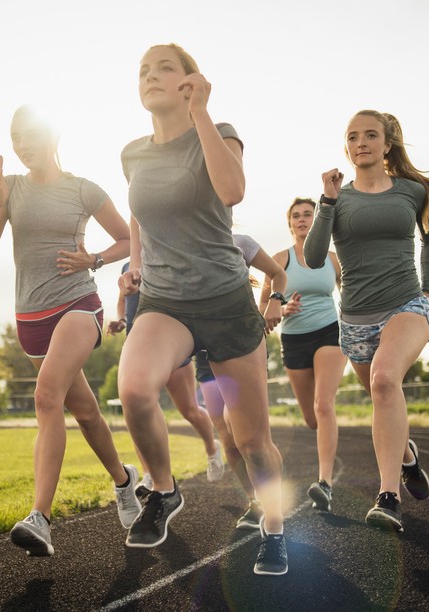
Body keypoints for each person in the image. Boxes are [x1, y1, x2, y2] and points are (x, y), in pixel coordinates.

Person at [117, 43, 289, 576]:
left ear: (190, 79)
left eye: (163, 67)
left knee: (252, 441)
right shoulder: (133, 153)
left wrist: (201, 113)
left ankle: (274, 528)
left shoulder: (219, 129)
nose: (150, 76)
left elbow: (233, 190)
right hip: (166, 301)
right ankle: (164, 491)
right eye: (143, 70)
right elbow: (139, 215)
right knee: (134, 388)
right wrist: (136, 264)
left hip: (227, 304)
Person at [0, 104, 141, 557]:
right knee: (85, 411)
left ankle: (40, 518)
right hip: (30, 319)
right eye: (16, 137)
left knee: (46, 396)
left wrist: (96, 260)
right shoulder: (10, 189)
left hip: (78, 305)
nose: (23, 144)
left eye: (30, 135)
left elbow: (128, 238)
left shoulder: (83, 190)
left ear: (52, 137)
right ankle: (124, 481)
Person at [304, 109, 429, 532]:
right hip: (355, 319)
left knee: (384, 381)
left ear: (386, 144)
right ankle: (406, 455)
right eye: (352, 136)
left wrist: (427, 291)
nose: (361, 142)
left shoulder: (411, 192)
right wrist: (327, 201)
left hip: (405, 305)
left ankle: (388, 497)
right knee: (382, 397)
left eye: (370, 135)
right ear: (347, 147)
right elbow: (315, 257)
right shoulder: (339, 199)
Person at [194, 233, 288, 530]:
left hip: (239, 346)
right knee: (228, 439)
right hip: (204, 355)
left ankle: (274, 507)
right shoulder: (180, 245)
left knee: (253, 440)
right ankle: (255, 501)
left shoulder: (239, 242)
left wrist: (275, 301)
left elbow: (278, 273)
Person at [261, 198, 348, 513]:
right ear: (289, 224)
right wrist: (282, 308)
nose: (302, 220)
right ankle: (324, 456)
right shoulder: (279, 260)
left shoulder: (334, 259)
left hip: (330, 333)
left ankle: (324, 483)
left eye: (308, 215)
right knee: (312, 419)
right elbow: (263, 309)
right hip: (294, 340)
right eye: (296, 216)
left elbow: (352, 295)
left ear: (317, 220)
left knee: (324, 405)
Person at [107, 261, 224, 486]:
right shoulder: (126, 267)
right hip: (138, 349)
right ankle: (150, 473)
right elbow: (123, 300)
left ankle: (212, 449)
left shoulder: (166, 259)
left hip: (170, 346)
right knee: (138, 409)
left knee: (189, 409)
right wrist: (122, 321)